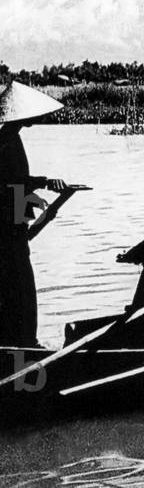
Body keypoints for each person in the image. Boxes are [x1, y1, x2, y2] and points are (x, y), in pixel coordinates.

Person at [0, 81, 66, 348]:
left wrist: (41, 185)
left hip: (12, 221)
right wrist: (44, 183)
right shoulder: (7, 141)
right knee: (21, 288)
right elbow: (13, 184)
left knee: (18, 286)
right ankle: (23, 344)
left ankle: (20, 342)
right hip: (8, 223)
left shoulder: (11, 138)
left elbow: (18, 182)